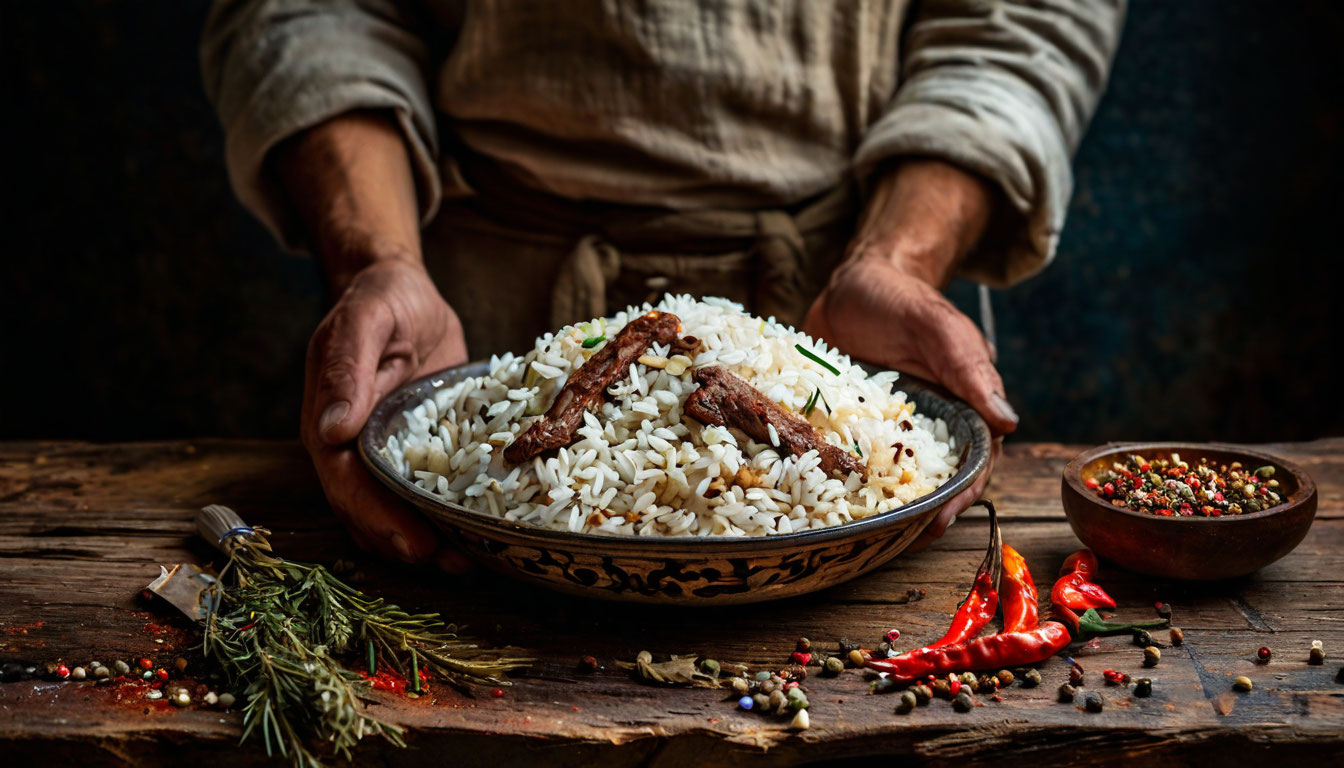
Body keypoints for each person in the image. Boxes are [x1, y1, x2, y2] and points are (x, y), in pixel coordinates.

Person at [202, 0, 1125, 570]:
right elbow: (309, 11)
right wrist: (376, 260)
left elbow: (1020, 18)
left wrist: (901, 260)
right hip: (471, 315)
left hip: (852, 296)